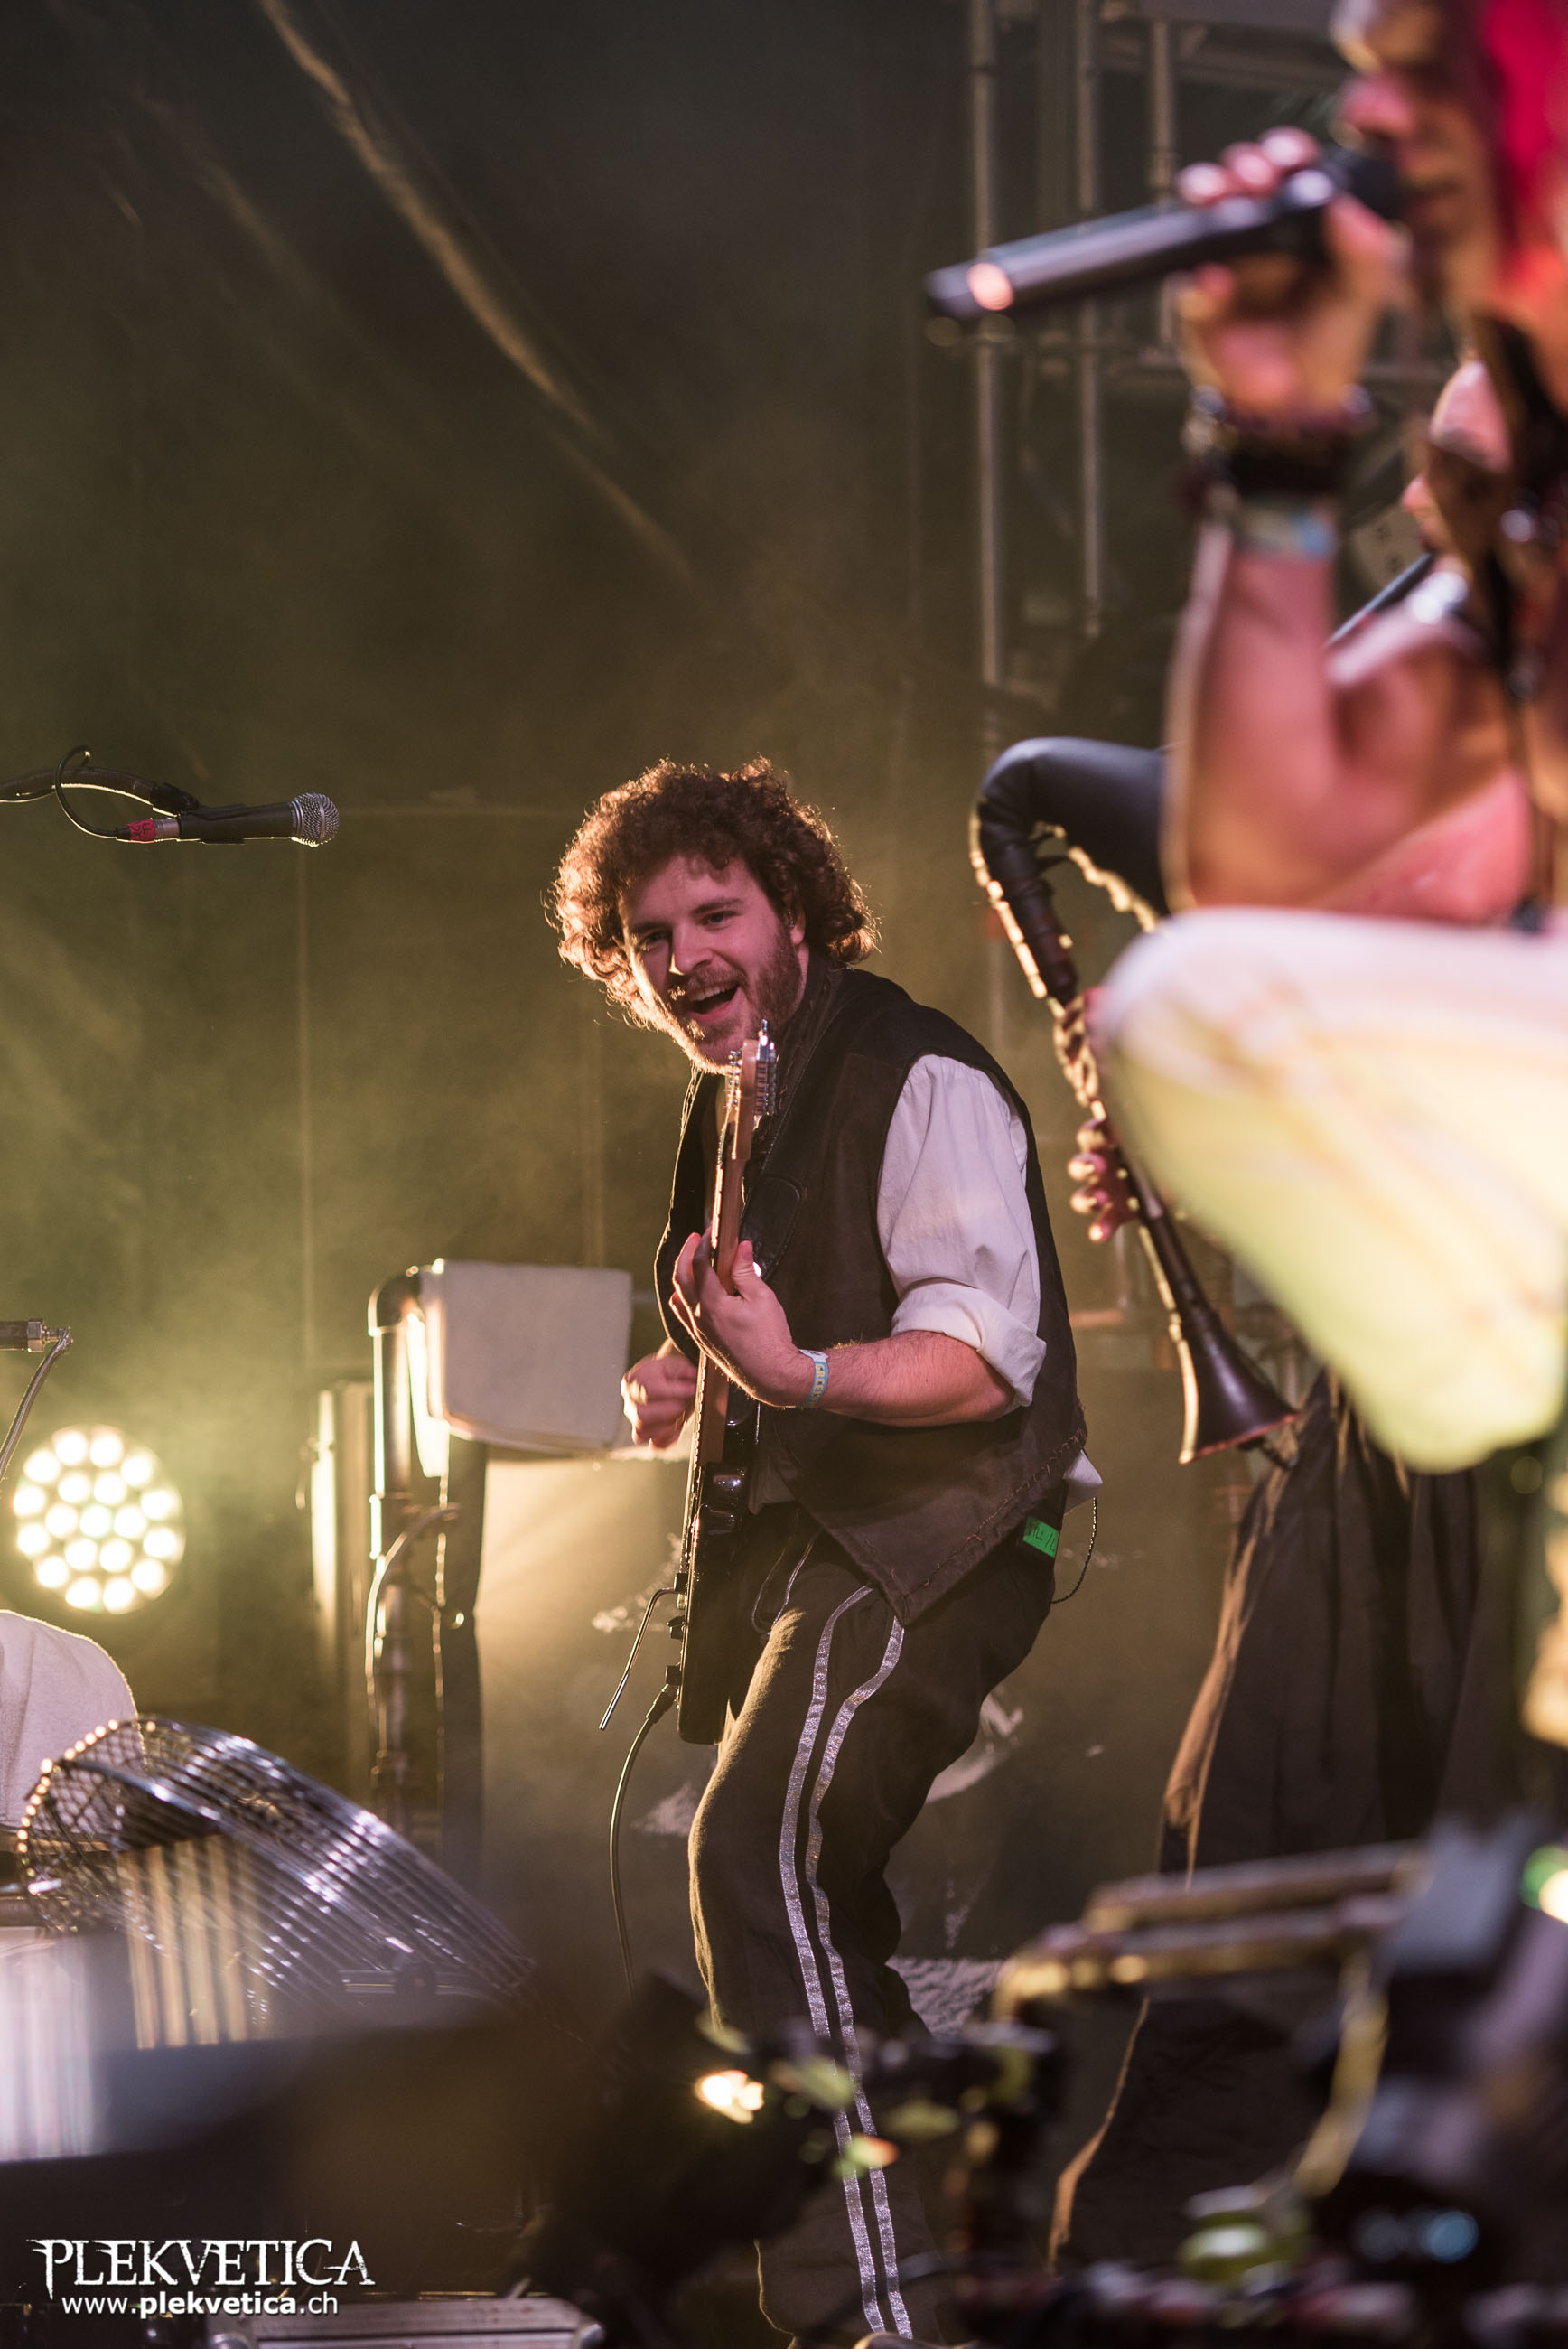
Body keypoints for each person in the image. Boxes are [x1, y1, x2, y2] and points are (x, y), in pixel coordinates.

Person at [550, 757, 1088, 2345]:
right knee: (796, 1886)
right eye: (650, 936)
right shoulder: (732, 1105)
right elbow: (778, 1334)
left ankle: (873, 2320)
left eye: (714, 914)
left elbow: (983, 1360)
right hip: (832, 1544)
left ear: (795, 913)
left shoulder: (914, 1074)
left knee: (758, 1851)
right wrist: (697, 1383)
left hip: (944, 1534)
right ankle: (916, 2274)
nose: (682, 957)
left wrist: (793, 1376)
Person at [1090, 0, 1568, 1529]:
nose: (1371, 121)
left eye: (1425, 73)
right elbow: (1259, 859)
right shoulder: (1531, 481)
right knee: (1192, 1007)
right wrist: (1276, 434)